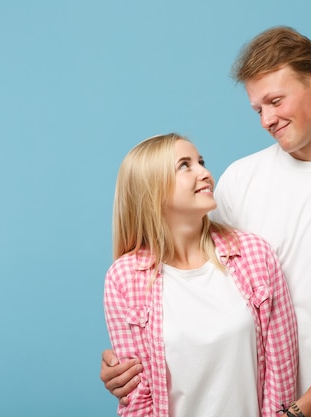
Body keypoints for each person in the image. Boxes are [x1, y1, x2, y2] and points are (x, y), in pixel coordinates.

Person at [102, 27, 311, 417]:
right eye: (258, 109)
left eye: (275, 101)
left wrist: (300, 411)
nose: (267, 119)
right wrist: (128, 366)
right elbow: (185, 280)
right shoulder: (239, 179)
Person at [103, 133, 298, 417]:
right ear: (151, 188)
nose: (205, 173)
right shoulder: (124, 278)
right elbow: (137, 398)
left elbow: (281, 371)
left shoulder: (254, 255)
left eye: (201, 162)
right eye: (185, 165)